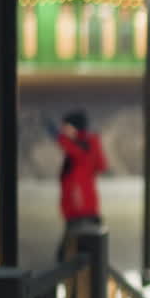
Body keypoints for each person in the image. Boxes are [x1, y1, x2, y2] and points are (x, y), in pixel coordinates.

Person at [48, 110, 108, 261]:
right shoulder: (84, 147)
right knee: (75, 256)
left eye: (66, 127)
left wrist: (58, 137)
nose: (63, 130)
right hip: (79, 213)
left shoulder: (86, 146)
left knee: (69, 257)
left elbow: (77, 152)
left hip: (81, 213)